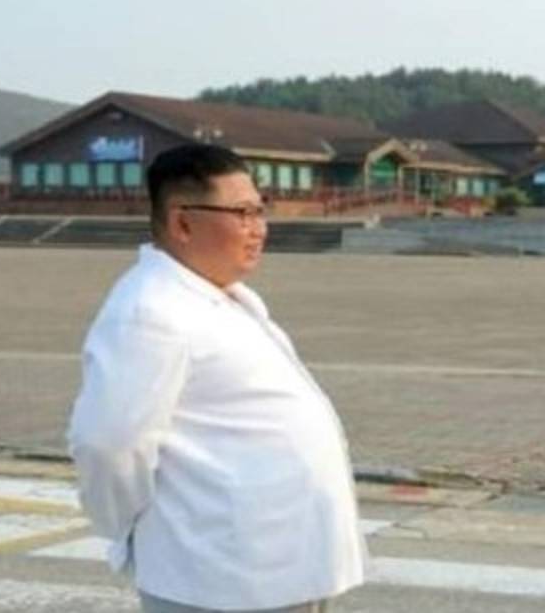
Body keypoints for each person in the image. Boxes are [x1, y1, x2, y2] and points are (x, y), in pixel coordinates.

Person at [67, 144, 366, 612]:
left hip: (279, 565)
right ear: (183, 223)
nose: (259, 229)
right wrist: (125, 527)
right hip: (220, 575)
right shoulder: (149, 312)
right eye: (243, 214)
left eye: (260, 212)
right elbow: (110, 444)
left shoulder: (221, 296)